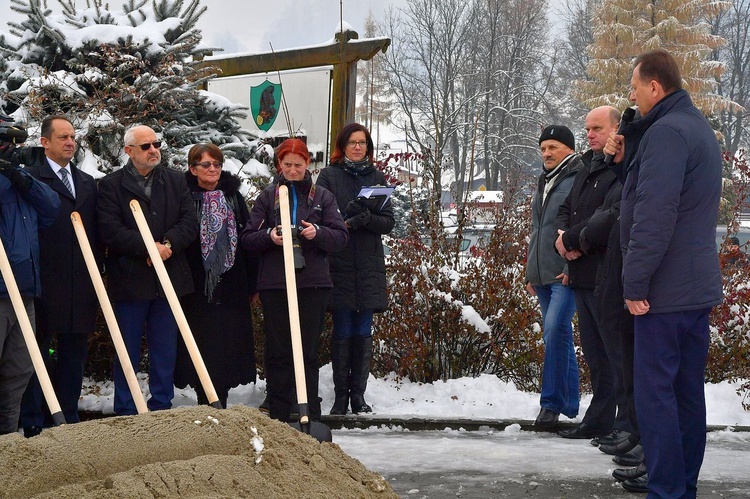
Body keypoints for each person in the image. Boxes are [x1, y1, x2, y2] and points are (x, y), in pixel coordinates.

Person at [604, 49, 723, 497]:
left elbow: (654, 215)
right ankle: (681, 488)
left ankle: (668, 491)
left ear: (655, 86)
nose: (632, 97)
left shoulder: (668, 134)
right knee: (687, 395)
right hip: (694, 290)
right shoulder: (696, 128)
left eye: (635, 88)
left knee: (656, 398)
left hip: (663, 293)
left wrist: (634, 282)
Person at [240, 138, 347, 423]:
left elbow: (340, 237)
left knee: (308, 351)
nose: (292, 170)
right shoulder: (267, 197)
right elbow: (248, 238)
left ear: (307, 165)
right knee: (278, 350)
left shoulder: (322, 197)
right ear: (279, 165)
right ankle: (277, 411)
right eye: (287, 165)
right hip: (276, 283)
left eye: (298, 165)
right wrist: (270, 237)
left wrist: (318, 233)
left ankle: (309, 412)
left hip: (312, 283)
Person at [97, 125, 197, 416]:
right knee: (126, 348)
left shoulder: (176, 181)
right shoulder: (111, 185)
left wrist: (167, 245)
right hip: (130, 278)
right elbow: (110, 230)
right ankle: (127, 410)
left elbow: (189, 220)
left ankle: (161, 407)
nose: (154, 150)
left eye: (156, 144)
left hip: (169, 276)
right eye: (146, 146)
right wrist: (147, 248)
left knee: (164, 349)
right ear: (129, 151)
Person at [17, 115, 101, 436]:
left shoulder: (86, 183)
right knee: (37, 353)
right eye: (62, 137)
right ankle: (34, 419)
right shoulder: (30, 180)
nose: (70, 142)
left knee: (73, 356)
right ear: (45, 142)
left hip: (81, 286)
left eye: (72, 137)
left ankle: (67, 417)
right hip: (44, 284)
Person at [554, 107, 628, 442]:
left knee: (615, 355)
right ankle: (599, 419)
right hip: (580, 273)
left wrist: (573, 242)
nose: (590, 134)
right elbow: (567, 209)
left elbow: (609, 216)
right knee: (596, 355)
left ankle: (619, 423)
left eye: (597, 128)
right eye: (587, 129)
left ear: (616, 129)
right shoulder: (587, 166)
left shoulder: (618, 171)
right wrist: (564, 243)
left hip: (605, 273)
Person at [316, 123, 395, 415]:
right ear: (343, 145)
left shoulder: (376, 177)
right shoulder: (329, 175)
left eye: (363, 143)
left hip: (369, 264)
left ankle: (358, 396)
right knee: (342, 328)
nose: (358, 147)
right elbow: (320, 215)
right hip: (338, 262)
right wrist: (347, 217)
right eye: (353, 142)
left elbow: (388, 222)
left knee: (363, 329)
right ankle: (340, 397)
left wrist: (367, 219)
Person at [174, 143, 257, 409]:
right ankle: (204, 399)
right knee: (201, 344)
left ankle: (222, 401)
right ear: (193, 169)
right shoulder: (184, 197)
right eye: (206, 165)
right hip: (196, 287)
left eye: (217, 164)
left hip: (231, 285)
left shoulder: (233, 197)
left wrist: (252, 284)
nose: (212, 169)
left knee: (229, 346)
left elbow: (247, 240)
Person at [0, 140, 59, 435]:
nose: (10, 149)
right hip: (0, 292)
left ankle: (8, 442)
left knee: (19, 371)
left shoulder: (19, 179)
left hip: (24, 293)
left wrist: (19, 177)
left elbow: (52, 207)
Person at [525, 125, 582, 428]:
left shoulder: (579, 177)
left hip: (565, 272)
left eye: (553, 147)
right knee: (558, 335)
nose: (546, 153)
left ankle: (549, 406)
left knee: (556, 329)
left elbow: (579, 227)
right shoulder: (545, 180)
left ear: (569, 149)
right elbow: (537, 229)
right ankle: (570, 406)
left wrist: (573, 268)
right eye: (543, 148)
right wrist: (529, 272)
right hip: (542, 272)